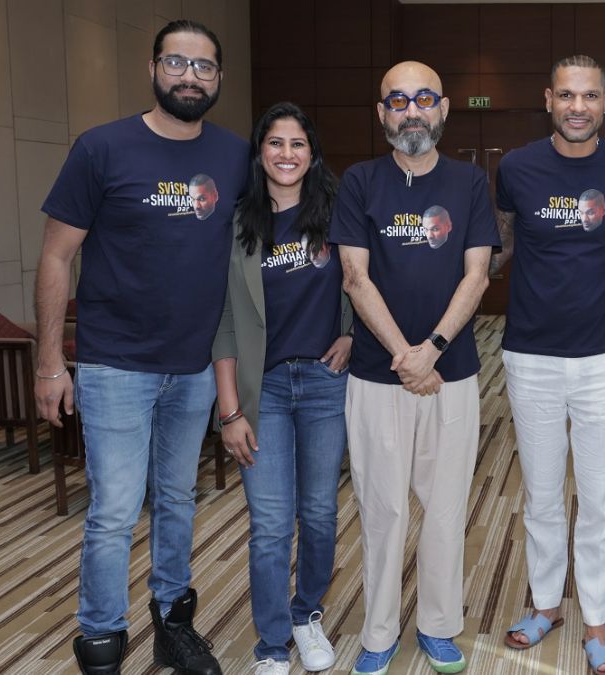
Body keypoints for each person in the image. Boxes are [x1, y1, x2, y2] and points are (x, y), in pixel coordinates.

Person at [34, 19, 246, 675]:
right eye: (177, 62)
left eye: (203, 66)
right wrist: (49, 361)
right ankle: (101, 638)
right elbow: (55, 256)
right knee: (114, 512)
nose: (190, 76)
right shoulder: (101, 148)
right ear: (153, 69)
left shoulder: (235, 156)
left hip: (195, 368)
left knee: (178, 501)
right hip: (114, 366)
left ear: (219, 78)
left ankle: (172, 626)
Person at [331, 60, 499, 675]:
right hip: (377, 377)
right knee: (382, 510)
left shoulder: (469, 182)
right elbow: (355, 277)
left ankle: (438, 626)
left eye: (424, 98)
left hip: (451, 373)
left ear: (443, 109)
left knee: (446, 508)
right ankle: (378, 633)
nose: (411, 111)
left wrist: (431, 349)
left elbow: (476, 275)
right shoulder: (359, 181)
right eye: (397, 101)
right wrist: (406, 356)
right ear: (382, 113)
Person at [491, 54, 605, 675]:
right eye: (566, 95)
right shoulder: (516, 167)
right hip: (530, 354)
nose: (577, 107)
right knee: (542, 493)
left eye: (588, 96)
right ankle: (547, 605)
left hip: (604, 355)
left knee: (601, 496)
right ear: (548, 100)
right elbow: (500, 244)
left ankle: (599, 620)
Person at [211, 102, 351, 675]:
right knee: (269, 524)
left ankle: (306, 614)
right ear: (260, 152)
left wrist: (352, 335)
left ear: (312, 154)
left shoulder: (338, 214)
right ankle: (271, 645)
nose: (286, 154)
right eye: (275, 143)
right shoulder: (238, 223)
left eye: (297, 143)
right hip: (262, 389)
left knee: (318, 513)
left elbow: (366, 283)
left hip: (325, 384)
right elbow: (223, 320)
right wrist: (230, 411)